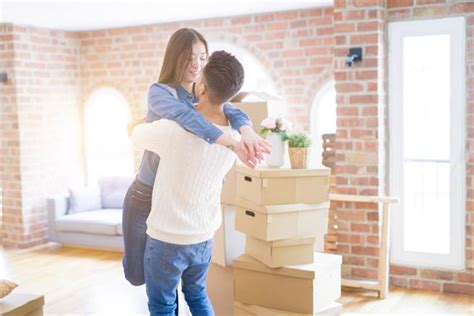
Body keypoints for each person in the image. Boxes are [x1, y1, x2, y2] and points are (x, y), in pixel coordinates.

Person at [122, 27, 270, 291]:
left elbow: (231, 107)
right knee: (137, 275)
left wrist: (247, 130)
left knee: (167, 281)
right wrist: (231, 143)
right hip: (145, 194)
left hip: (177, 201)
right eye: (189, 57)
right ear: (174, 58)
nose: (196, 63)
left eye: (202, 57)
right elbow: (188, 118)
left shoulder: (199, 94)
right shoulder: (160, 92)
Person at [131, 50, 246, 316]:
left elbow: (136, 136)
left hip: (166, 239)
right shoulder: (234, 139)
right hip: (203, 237)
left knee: (162, 305)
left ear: (202, 88)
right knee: (197, 295)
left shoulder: (173, 131)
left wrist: (143, 122)